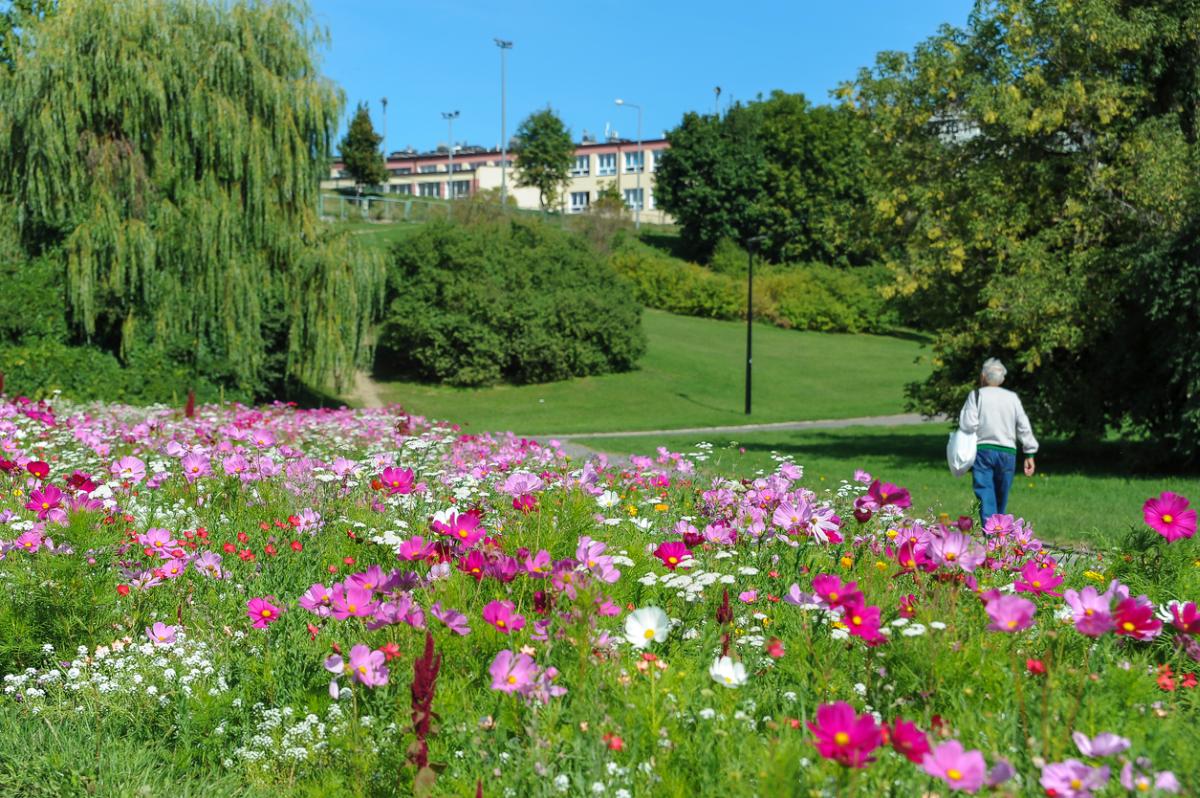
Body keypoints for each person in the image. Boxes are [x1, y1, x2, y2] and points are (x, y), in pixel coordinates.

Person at [958, 358, 1038, 525]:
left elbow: (968, 424)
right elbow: (1023, 425)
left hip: (983, 451)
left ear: (983, 376)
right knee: (1002, 496)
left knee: (985, 493)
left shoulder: (976, 395)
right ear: (1002, 378)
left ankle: (992, 537)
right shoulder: (1012, 397)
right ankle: (999, 533)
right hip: (1007, 452)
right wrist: (1029, 453)